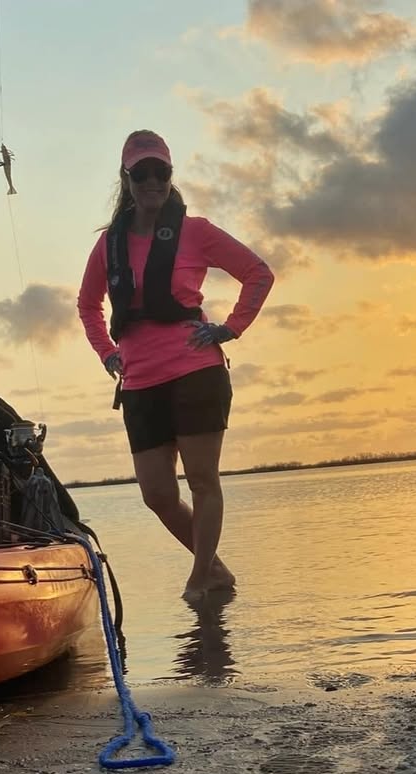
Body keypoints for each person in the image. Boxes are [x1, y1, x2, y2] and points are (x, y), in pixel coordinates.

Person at [77, 130, 275, 601]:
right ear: (127, 179)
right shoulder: (108, 245)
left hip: (196, 372)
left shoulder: (196, 231)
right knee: (157, 494)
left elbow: (258, 274)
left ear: (170, 175)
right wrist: (107, 352)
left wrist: (230, 328)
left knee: (203, 481)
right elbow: (87, 305)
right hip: (139, 381)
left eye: (160, 172)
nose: (151, 181)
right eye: (141, 173)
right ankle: (214, 570)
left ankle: (199, 578)